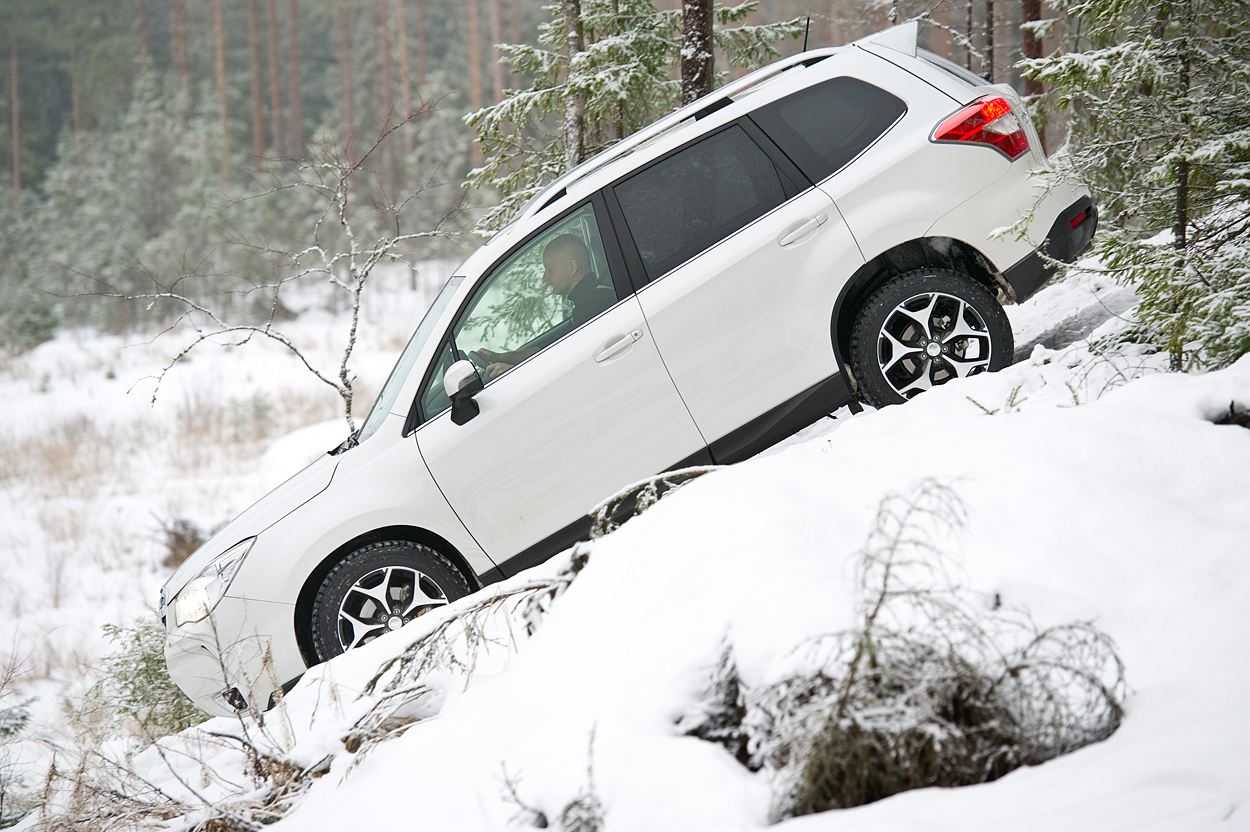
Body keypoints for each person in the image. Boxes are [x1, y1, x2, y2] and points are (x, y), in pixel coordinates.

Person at [476, 234, 616, 378]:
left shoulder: (596, 305)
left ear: (572, 267)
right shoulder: (588, 302)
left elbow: (565, 364)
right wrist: (502, 358)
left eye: (550, 269)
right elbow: (551, 350)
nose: (545, 277)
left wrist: (513, 373)